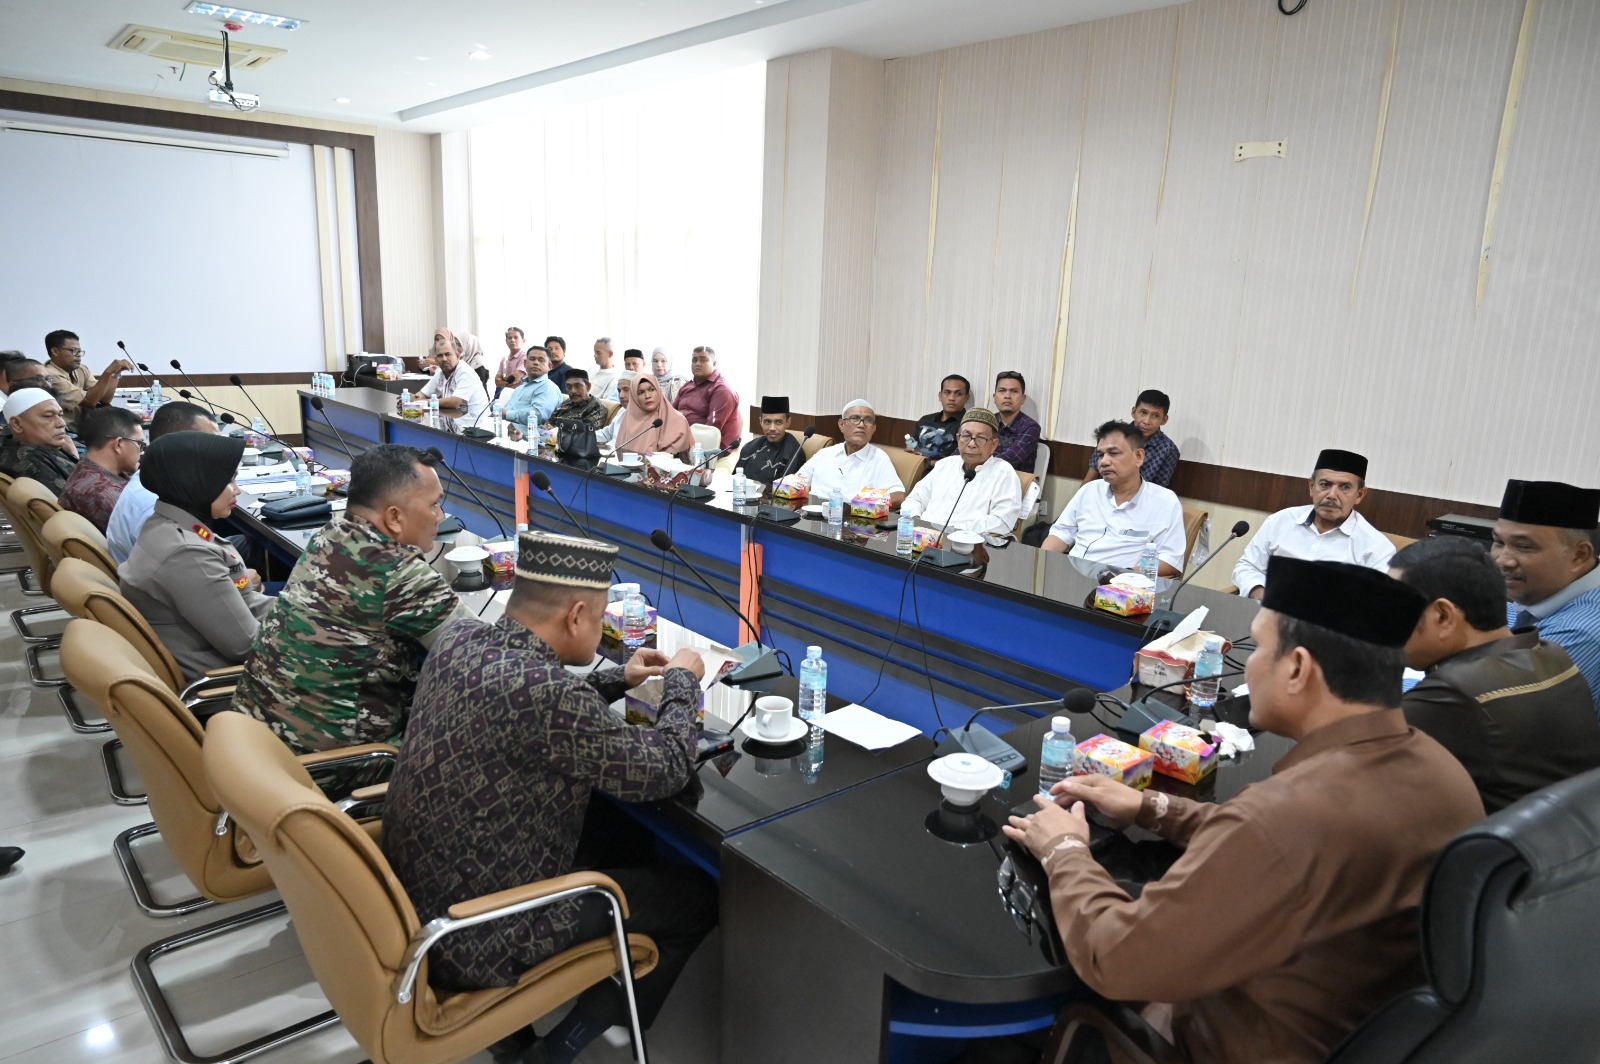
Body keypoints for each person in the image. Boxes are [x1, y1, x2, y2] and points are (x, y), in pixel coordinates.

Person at [1005, 557, 1482, 1064]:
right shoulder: (1442, 769)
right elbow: (1272, 845)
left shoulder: (1288, 816)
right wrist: (1152, 806)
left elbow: (1114, 958)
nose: (1248, 666)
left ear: (1297, 668)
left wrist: (1064, 850)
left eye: (1259, 647)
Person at [381, 530, 717, 1064]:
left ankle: (519, 1030)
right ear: (578, 614)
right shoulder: (547, 695)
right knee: (698, 898)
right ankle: (553, 1052)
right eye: (602, 616)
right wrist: (682, 683)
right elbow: (665, 769)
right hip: (481, 934)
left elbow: (531, 703)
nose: (604, 626)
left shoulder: (460, 641)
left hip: (417, 897)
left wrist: (617, 679)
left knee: (617, 830)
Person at [234, 444, 467, 753]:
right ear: (394, 517)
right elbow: (482, 658)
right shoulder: (397, 572)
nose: (440, 516)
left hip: (257, 747)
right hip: (336, 766)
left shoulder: (329, 534)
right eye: (435, 505)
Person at [1391, 536, 1600, 813]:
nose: (1388, 626)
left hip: (1499, 852)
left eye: (1395, 609)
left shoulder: (1455, 694)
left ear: (1443, 616)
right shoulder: (1548, 653)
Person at [119, 432, 273, 681]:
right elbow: (246, 645)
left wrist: (309, 611)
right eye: (228, 480)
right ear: (195, 481)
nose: (238, 490)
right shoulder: (186, 554)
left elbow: (245, 603)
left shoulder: (166, 523)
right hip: (232, 682)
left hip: (224, 659)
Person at [1494, 479, 1600, 710]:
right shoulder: (1536, 597)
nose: (1503, 559)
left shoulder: (1581, 632)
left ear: (1579, 555)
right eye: (1498, 542)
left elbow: (1490, 708)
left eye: (1524, 546)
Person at [1232, 449, 1394, 600]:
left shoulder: (1377, 549)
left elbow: (1377, 603)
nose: (1332, 495)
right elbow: (1247, 566)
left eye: (1345, 487)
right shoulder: (1281, 521)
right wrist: (1262, 594)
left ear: (1359, 495)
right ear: (1312, 486)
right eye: (1325, 484)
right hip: (1265, 618)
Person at [1041, 420, 1184, 576]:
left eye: (1114, 453)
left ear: (1139, 456)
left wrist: (1124, 574)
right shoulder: (1089, 490)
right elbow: (1061, 533)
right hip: (1071, 576)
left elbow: (1170, 560)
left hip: (1121, 588)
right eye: (1100, 454)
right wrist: (1041, 563)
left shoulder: (1164, 502)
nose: (1104, 461)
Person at [105, 401, 218, 564]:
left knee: (248, 544)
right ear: (180, 445)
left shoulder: (152, 476)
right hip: (177, 579)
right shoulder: (156, 504)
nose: (216, 450)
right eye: (210, 442)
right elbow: (184, 573)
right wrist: (240, 579)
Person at [900, 409, 1022, 536]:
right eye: (966, 436)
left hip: (966, 544)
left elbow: (1001, 521)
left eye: (981, 438)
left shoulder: (1004, 473)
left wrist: (954, 531)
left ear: (994, 444)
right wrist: (917, 521)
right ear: (958, 439)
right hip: (922, 536)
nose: (972, 444)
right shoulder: (945, 465)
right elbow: (915, 499)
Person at [795, 400, 905, 507]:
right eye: (855, 418)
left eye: (868, 420)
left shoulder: (879, 459)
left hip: (853, 520)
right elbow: (797, 482)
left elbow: (898, 495)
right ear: (841, 424)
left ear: (874, 428)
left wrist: (864, 504)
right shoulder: (824, 454)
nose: (861, 425)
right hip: (812, 518)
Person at [57, 406, 143, 532]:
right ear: (118, 444)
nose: (142, 452)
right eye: (140, 444)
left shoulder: (85, 471)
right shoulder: (103, 496)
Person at [1085, 389, 1179, 488]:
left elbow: (1159, 490)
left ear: (1164, 420)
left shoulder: (1168, 449)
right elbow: (1090, 478)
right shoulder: (1112, 436)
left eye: (1155, 416)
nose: (1147, 421)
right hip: (1102, 495)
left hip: (1141, 501)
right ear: (1133, 412)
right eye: (1143, 412)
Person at [40, 329, 133, 428]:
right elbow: (90, 401)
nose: (79, 355)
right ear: (55, 351)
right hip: (66, 432)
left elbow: (104, 399)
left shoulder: (81, 369)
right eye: (74, 351)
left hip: (85, 426)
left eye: (79, 351)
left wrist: (116, 374)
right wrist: (108, 372)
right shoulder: (50, 375)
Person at [0, 389, 77, 495]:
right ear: (17, 424)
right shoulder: (32, 463)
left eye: (60, 415)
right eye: (48, 416)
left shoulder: (18, 445)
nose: (61, 423)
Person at [674, 346, 741, 449]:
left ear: (714, 364)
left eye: (703, 360)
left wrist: (680, 442)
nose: (697, 364)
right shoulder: (687, 386)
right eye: (694, 360)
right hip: (682, 439)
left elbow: (710, 430)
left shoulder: (722, 390)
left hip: (710, 447)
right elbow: (672, 413)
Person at [413, 332, 489, 420]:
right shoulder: (441, 372)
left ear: (457, 355)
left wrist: (423, 402)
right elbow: (423, 394)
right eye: (440, 356)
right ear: (436, 360)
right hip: (456, 422)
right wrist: (415, 397)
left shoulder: (465, 372)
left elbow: (455, 402)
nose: (444, 359)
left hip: (476, 425)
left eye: (448, 354)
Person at [612, 375, 693, 456]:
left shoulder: (677, 420)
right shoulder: (629, 419)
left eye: (652, 390)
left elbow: (674, 459)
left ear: (659, 391)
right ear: (634, 397)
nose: (647, 396)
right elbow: (620, 453)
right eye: (641, 392)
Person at [737, 396, 803, 485]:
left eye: (778, 422)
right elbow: (735, 481)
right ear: (761, 421)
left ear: (788, 422)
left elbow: (784, 489)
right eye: (767, 422)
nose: (772, 428)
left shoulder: (794, 453)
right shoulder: (749, 448)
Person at [908, 375, 970, 460]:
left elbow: (961, 462)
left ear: (967, 398)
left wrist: (927, 463)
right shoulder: (925, 420)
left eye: (958, 394)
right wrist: (910, 450)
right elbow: (910, 447)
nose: (951, 398)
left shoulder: (968, 426)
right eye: (947, 392)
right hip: (917, 469)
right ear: (940, 396)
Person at [991, 370, 1039, 472]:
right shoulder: (986, 422)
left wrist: (976, 462)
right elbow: (961, 451)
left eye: (1014, 391)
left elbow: (1008, 460)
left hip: (1014, 483)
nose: (1007, 396)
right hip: (982, 476)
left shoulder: (1030, 427)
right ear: (994, 398)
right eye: (1002, 390)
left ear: (1023, 399)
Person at [503, 346, 562, 429]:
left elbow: (539, 415)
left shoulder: (548, 387)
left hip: (531, 438)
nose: (536, 363)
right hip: (509, 432)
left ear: (550, 366)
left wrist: (507, 414)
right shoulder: (520, 388)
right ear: (525, 364)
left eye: (541, 360)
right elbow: (506, 410)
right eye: (532, 359)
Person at [545, 369, 609, 429]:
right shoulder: (567, 402)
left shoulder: (597, 407)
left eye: (578, 386)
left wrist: (555, 431)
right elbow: (550, 421)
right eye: (569, 387)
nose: (573, 391)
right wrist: (547, 427)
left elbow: (586, 432)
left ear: (588, 387)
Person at [596, 372, 636, 449]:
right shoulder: (622, 411)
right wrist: (584, 436)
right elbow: (607, 434)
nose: (621, 395)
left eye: (626, 390)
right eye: (619, 391)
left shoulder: (648, 419)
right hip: (608, 453)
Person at [494, 327, 528, 391]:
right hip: (505, 394)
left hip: (521, 394)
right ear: (506, 341)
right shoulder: (504, 359)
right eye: (509, 338)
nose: (512, 340)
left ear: (523, 341)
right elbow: (497, 381)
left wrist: (503, 380)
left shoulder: (526, 356)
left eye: (516, 337)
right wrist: (508, 380)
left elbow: (515, 378)